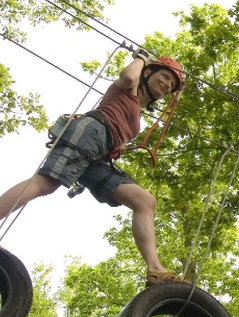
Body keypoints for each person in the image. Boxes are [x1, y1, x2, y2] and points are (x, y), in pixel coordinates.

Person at [0, 52, 188, 285]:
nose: (168, 85)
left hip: (98, 154)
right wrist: (142, 58)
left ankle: (155, 269)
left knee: (145, 201)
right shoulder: (127, 88)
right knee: (45, 184)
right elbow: (129, 77)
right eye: (165, 76)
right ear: (148, 72)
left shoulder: (137, 110)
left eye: (172, 85)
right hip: (90, 132)